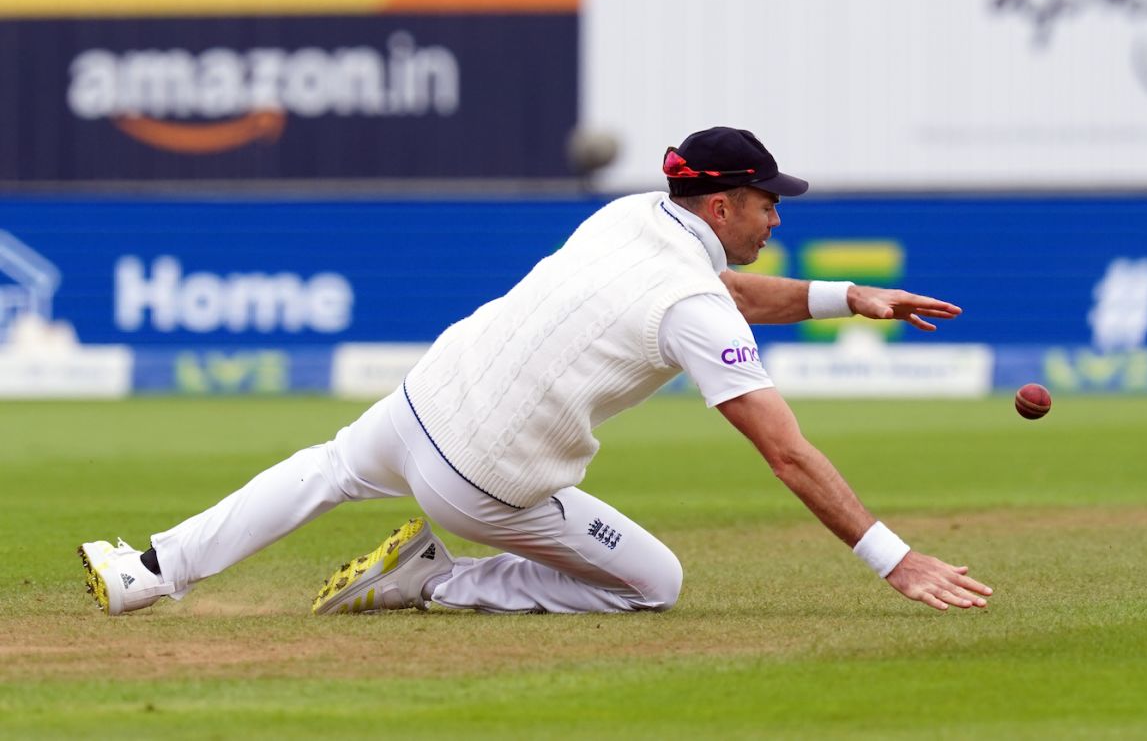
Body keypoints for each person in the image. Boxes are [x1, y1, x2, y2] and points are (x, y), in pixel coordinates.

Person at [79, 127, 992, 616]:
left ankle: (151, 570)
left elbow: (725, 289)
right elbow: (786, 452)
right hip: (490, 485)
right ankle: (433, 582)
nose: (774, 220)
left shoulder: (635, 215)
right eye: (764, 204)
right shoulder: (693, 305)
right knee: (655, 584)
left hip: (423, 401)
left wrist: (847, 297)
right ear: (720, 203)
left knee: (323, 469)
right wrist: (894, 559)